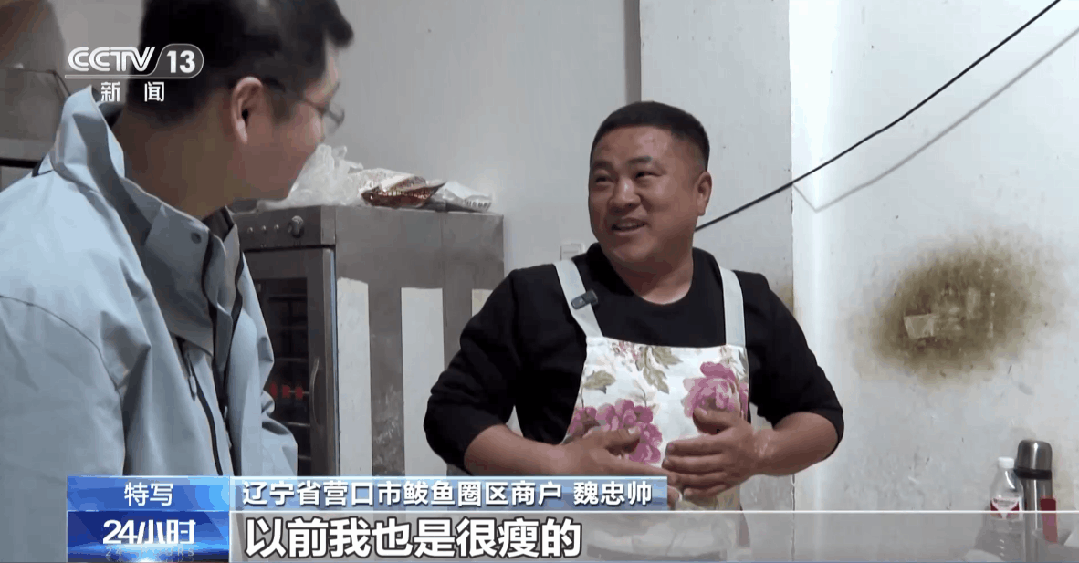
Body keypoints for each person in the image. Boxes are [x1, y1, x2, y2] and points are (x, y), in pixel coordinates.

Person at [0, 0, 353, 560]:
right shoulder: (41, 286)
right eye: (323, 110)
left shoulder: (207, 238)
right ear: (246, 109)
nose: (322, 138)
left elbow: (252, 436)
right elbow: (57, 541)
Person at [425, 101, 844, 558]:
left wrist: (760, 452)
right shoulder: (537, 297)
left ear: (701, 192)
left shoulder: (746, 303)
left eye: (643, 175)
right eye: (602, 180)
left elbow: (821, 418)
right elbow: (450, 415)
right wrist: (556, 467)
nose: (621, 197)